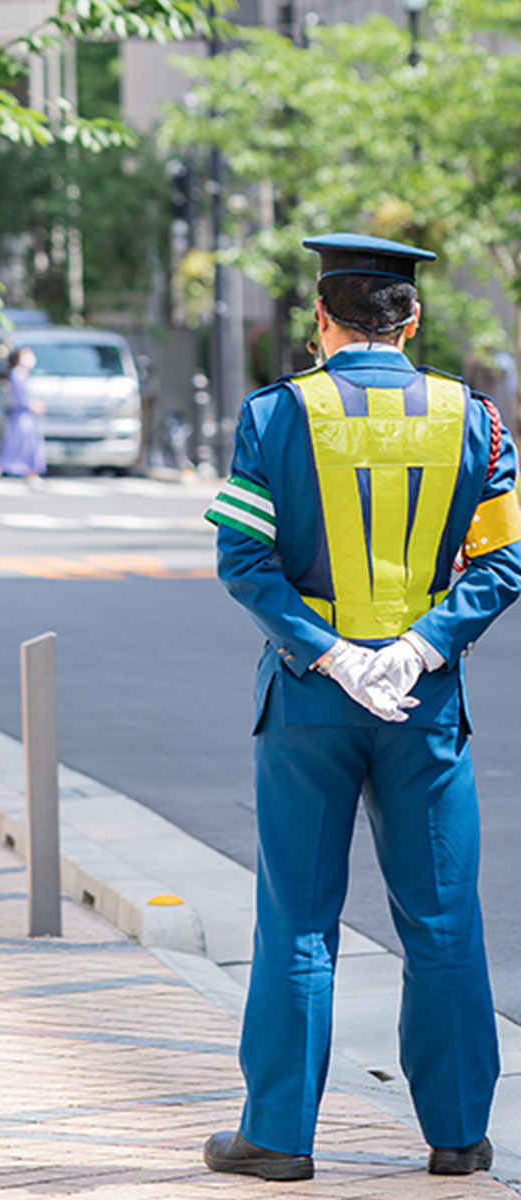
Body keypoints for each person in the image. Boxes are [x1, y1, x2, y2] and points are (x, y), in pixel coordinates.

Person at [202, 232, 521, 1182]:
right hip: (424, 703)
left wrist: (335, 654)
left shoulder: (276, 416)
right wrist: (420, 646)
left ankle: (280, 1139)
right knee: (442, 920)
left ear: (320, 323)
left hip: (309, 697)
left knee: (299, 918)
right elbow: (505, 557)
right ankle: (458, 1137)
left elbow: (243, 560)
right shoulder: (476, 420)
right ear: (412, 320)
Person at [0, 346, 46, 482]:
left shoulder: (23, 373)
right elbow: (21, 397)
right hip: (21, 414)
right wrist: (33, 405)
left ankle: (30, 472)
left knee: (29, 444)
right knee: (16, 443)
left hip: (26, 415)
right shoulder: (17, 373)